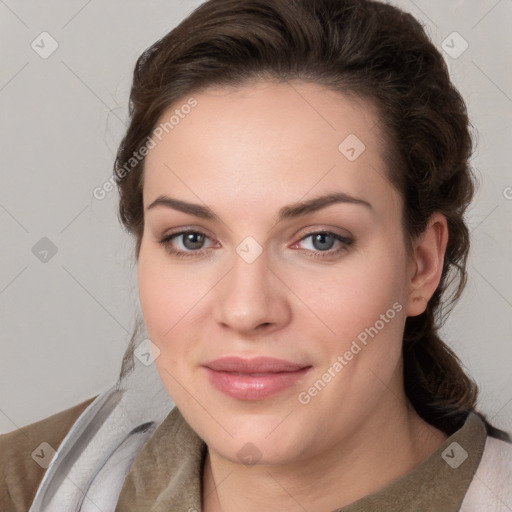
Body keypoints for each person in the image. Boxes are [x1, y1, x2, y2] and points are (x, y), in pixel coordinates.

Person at [1, 0, 511, 510]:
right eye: (192, 239)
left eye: (320, 240)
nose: (247, 310)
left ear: (421, 265)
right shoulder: (19, 489)